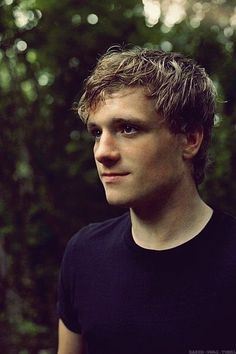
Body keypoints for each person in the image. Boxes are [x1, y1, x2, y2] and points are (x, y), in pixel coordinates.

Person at [57, 47, 236, 354]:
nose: (102, 152)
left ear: (190, 139)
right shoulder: (83, 254)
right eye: (97, 132)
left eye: (128, 128)